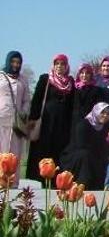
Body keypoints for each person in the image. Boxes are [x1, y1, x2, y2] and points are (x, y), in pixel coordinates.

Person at [26, 54, 75, 182]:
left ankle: (56, 180)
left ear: (66, 66)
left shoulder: (70, 82)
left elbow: (72, 104)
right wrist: (33, 118)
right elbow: (37, 99)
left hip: (63, 124)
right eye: (57, 64)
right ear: (53, 65)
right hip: (46, 123)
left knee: (59, 150)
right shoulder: (45, 79)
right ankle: (41, 177)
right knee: (44, 150)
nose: (59, 66)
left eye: (62, 64)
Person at [60, 102, 109, 190]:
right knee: (85, 154)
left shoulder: (104, 128)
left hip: (92, 155)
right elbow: (81, 145)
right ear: (96, 111)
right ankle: (82, 183)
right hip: (75, 157)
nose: (105, 116)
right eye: (102, 112)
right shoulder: (83, 124)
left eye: (108, 114)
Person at [0, 51, 31, 183]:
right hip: (1, 118)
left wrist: (23, 112)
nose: (15, 65)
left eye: (18, 62)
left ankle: (12, 182)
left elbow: (26, 100)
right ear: (8, 61)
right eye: (13, 62)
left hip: (16, 122)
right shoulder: (1, 77)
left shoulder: (23, 79)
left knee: (14, 153)